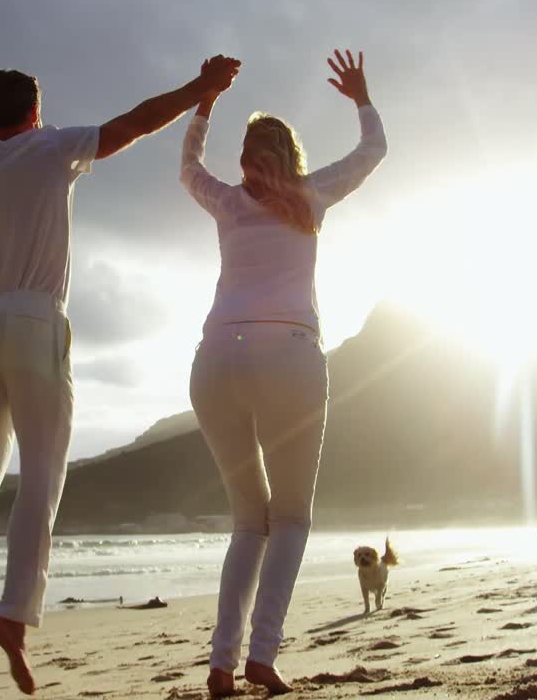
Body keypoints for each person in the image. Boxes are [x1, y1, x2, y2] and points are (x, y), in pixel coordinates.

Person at [0, 55, 242, 694]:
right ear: (35, 112)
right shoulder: (52, 148)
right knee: (42, 472)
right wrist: (202, 88)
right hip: (35, 319)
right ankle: (14, 612)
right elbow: (136, 123)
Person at [180, 49, 387, 697]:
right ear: (291, 156)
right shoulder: (311, 195)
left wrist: (205, 103)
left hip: (216, 358)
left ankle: (221, 663)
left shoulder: (226, 201)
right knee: (291, 518)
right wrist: (361, 97)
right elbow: (374, 150)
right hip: (290, 356)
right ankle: (262, 655)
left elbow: (187, 167)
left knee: (250, 521)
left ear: (245, 160)